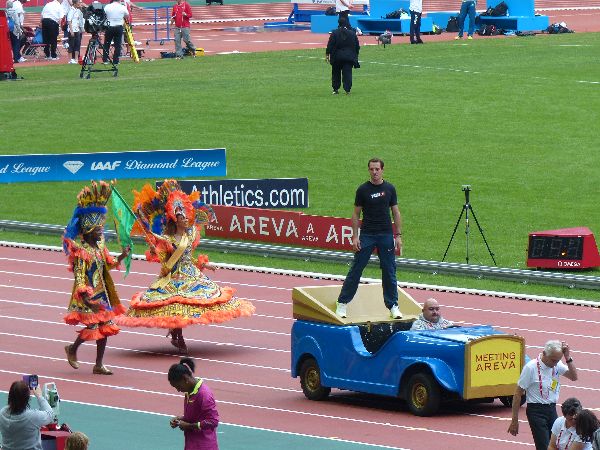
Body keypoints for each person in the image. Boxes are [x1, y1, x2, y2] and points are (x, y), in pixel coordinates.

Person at [115, 180, 255, 354]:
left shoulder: (190, 235)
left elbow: (189, 258)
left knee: (202, 299)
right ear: (176, 221)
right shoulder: (167, 240)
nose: (186, 219)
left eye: (186, 217)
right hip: (172, 276)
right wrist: (155, 250)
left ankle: (176, 334)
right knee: (175, 305)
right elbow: (164, 261)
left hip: (191, 274)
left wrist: (205, 265)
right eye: (182, 218)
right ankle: (178, 336)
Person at [62, 181, 131, 375]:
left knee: (105, 326)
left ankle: (98, 364)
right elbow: (79, 276)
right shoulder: (81, 252)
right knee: (92, 325)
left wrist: (122, 256)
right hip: (88, 295)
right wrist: (85, 297)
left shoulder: (101, 247)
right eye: (99, 230)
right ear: (89, 231)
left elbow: (108, 263)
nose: (102, 232)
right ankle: (73, 348)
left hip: (102, 293)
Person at [336, 158, 403, 319]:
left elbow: (396, 212)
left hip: (386, 235)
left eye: (377, 169)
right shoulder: (362, 190)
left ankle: (393, 306)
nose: (374, 172)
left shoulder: (390, 188)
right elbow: (356, 214)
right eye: (371, 169)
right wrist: (355, 236)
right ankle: (342, 303)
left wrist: (398, 235)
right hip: (367, 235)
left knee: (389, 271)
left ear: (382, 170)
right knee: (356, 269)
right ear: (368, 170)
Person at [507, 339, 578, 450]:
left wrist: (567, 357)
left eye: (558, 360)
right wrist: (514, 420)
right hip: (536, 411)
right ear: (544, 354)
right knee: (544, 446)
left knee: (555, 445)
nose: (555, 363)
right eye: (553, 360)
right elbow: (517, 393)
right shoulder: (530, 368)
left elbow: (574, 377)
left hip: (552, 409)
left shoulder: (557, 364)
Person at [168, 357, 219, 450]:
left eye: (178, 386)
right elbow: (197, 416)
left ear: (185, 378)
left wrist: (188, 426)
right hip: (191, 444)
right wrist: (180, 419)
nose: (178, 390)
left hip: (204, 446)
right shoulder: (189, 391)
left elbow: (213, 421)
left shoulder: (204, 394)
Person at [0, 381, 55, 450]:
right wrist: (39, 396)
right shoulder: (32, 417)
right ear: (27, 398)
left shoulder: (2, 413)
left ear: (10, 396)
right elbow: (50, 414)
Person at [325, 15, 360, 95]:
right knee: (347, 73)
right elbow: (357, 46)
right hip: (348, 56)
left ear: (338, 23)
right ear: (346, 23)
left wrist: (327, 54)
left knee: (335, 73)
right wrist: (355, 55)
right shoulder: (352, 33)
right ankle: (347, 90)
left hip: (336, 57)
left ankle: (335, 89)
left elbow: (330, 45)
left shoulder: (334, 33)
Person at [102, 0, 129, 65]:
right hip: (118, 27)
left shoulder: (107, 6)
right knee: (118, 44)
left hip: (109, 27)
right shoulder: (122, 7)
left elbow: (103, 15)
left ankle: (105, 60)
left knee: (107, 44)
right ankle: (116, 60)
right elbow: (127, 15)